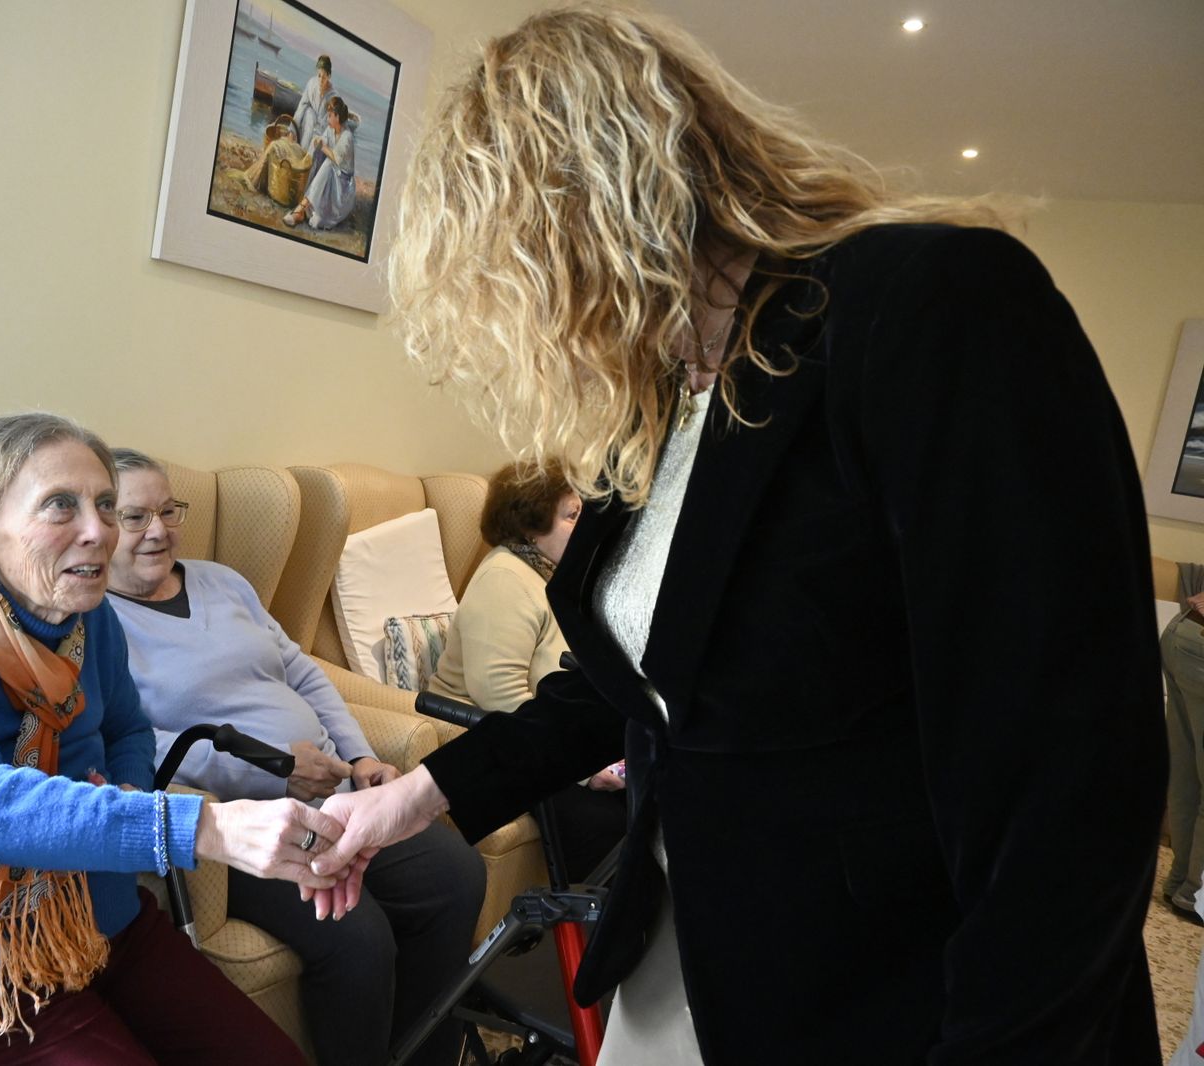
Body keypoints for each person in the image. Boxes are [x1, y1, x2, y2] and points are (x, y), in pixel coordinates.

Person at [309, 8, 1167, 1065]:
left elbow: (1071, 767)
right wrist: (422, 791)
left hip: (899, 981)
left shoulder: (928, 307)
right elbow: (633, 681)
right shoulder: (668, 398)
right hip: (697, 940)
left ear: (598, 207)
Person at [0, 413, 337, 1065]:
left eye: (105, 504)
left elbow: (127, 729)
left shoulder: (91, 620)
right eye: (61, 505)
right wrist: (200, 829)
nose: (99, 530)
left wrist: (127, 794)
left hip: (106, 926)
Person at [103, 448, 484, 1066]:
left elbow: (302, 674)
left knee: (453, 873)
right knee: (357, 934)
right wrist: (276, 768)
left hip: (334, 792)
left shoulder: (221, 580)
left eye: (168, 510)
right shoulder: (96, 623)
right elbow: (138, 746)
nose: (158, 529)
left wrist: (360, 759)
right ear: (100, 523)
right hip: (246, 822)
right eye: (135, 515)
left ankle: (423, 1054)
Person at [428, 460, 626, 881]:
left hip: (542, 730)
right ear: (531, 528)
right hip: (489, 734)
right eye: (573, 516)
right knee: (612, 823)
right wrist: (587, 768)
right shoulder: (505, 577)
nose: (585, 525)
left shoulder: (556, 575)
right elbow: (497, 692)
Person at [1157, 555, 1204, 924]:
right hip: (1200, 649)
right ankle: (1192, 894)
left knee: (1187, 776)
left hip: (1183, 635)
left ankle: (1180, 885)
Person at [283, 97, 357, 230]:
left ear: (337, 117)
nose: (328, 119)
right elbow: (323, 140)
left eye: (330, 116)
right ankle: (304, 207)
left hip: (342, 188)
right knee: (318, 154)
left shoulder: (347, 137)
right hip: (331, 180)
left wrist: (322, 146)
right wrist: (317, 141)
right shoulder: (331, 130)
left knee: (329, 163)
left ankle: (301, 207)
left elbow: (336, 158)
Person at [293, 55, 336, 184]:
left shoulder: (333, 96)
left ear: (329, 76)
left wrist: (321, 139)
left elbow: (331, 125)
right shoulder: (312, 84)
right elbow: (302, 105)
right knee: (309, 114)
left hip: (322, 135)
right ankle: (298, 171)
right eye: (319, 75)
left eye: (324, 77)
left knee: (314, 154)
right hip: (308, 127)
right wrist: (292, 130)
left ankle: (307, 183)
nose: (321, 80)